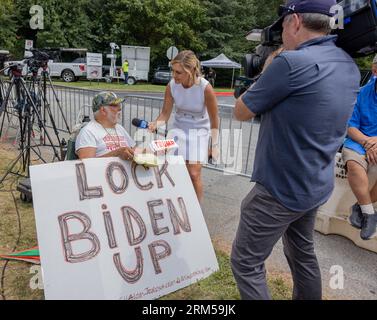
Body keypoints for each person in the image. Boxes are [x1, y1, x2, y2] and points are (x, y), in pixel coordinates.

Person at [230, 0, 360, 300]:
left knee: (245, 262)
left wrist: (271, 63)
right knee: (302, 253)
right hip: (315, 183)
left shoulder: (289, 63)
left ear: (295, 21)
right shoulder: (348, 65)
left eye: (284, 26)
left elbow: (241, 111)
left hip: (279, 189)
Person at [148, 50, 219, 203]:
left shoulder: (205, 88)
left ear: (191, 70)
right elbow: (165, 114)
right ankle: (176, 204)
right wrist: (156, 124)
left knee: (194, 174)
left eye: (178, 72)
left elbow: (214, 120)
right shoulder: (171, 86)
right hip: (179, 129)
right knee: (174, 171)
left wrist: (214, 145)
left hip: (199, 131)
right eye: (173, 71)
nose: (174, 75)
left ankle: (196, 211)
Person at [342, 56, 377, 240]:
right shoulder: (362, 93)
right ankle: (370, 214)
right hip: (359, 141)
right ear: (375, 71)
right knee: (353, 163)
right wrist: (367, 142)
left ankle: (361, 208)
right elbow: (350, 126)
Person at [75, 91, 135, 160]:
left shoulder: (119, 128)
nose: (119, 108)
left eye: (119, 105)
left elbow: (133, 149)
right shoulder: (88, 132)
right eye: (115, 105)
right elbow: (87, 164)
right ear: (103, 110)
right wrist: (117, 154)